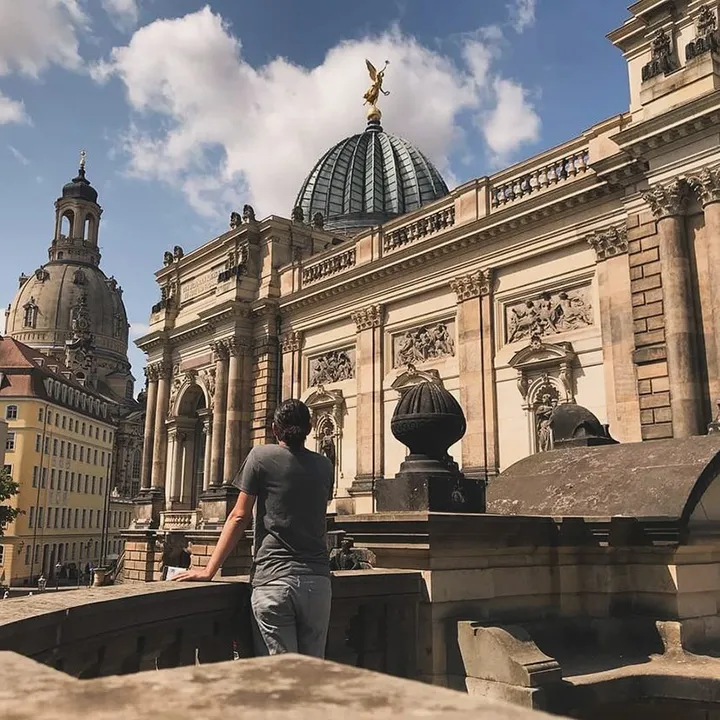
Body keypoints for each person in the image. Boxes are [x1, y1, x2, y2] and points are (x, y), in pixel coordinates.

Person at [173, 398, 334, 658]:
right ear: (310, 427)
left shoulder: (260, 457)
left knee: (280, 674)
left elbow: (238, 517)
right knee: (312, 669)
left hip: (274, 581)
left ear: (275, 429)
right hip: (318, 584)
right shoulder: (325, 466)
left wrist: (209, 570)